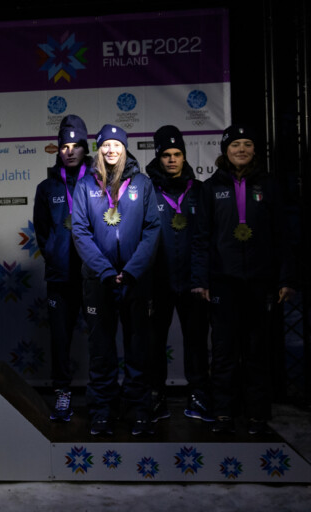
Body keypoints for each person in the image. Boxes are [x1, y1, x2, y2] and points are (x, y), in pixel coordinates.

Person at [191, 125, 297, 435]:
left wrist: (286, 278)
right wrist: (201, 279)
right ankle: (224, 413)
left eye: (247, 144)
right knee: (224, 352)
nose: (241, 149)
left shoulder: (269, 186)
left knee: (257, 352)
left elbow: (283, 236)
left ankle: (257, 416)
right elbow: (201, 237)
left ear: (254, 149)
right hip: (222, 282)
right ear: (225, 150)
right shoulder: (210, 188)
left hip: (260, 282)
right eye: (236, 144)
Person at [72, 125, 161, 437]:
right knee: (101, 351)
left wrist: (132, 270)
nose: (111, 150)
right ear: (98, 150)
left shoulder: (142, 184)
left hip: (136, 281)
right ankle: (102, 412)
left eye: (117, 145)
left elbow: (152, 229)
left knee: (138, 349)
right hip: (99, 281)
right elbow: (80, 231)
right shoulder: (85, 185)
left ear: (125, 149)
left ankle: (138, 411)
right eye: (105, 145)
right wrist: (106, 271)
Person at [146, 125, 212, 423]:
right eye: (166, 155)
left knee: (196, 341)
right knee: (154, 343)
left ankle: (198, 395)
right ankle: (156, 396)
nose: (172, 159)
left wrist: (202, 279)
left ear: (184, 157)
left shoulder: (199, 190)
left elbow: (206, 239)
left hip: (192, 283)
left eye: (177, 154)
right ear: (158, 158)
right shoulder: (146, 190)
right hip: (158, 283)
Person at [33, 115, 91, 422]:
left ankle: (102, 394)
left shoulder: (97, 182)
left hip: (93, 275)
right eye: (64, 146)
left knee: (101, 337)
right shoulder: (46, 188)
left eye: (75, 146)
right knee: (60, 339)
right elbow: (42, 232)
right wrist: (56, 255)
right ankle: (62, 392)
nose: (69, 151)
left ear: (85, 148)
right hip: (60, 276)